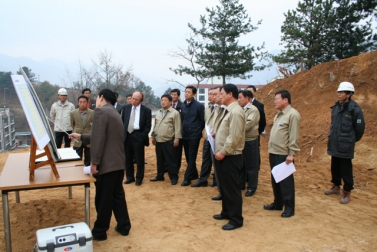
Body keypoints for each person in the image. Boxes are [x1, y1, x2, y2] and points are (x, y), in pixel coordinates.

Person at [69, 89, 131, 241]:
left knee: (103, 198)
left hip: (106, 164)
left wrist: (94, 163)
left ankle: (100, 231)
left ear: (101, 97)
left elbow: (98, 140)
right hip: (117, 162)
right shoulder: (114, 112)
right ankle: (124, 226)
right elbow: (102, 135)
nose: (95, 100)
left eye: (97, 97)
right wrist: (82, 136)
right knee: (117, 196)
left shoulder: (100, 112)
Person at [325, 82, 365, 204]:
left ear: (349, 94)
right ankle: (336, 186)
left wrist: (350, 140)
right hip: (335, 142)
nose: (339, 94)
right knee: (335, 166)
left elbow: (360, 129)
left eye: (342, 92)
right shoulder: (336, 107)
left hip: (346, 144)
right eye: (338, 92)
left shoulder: (355, 110)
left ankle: (346, 192)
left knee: (346, 169)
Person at [212, 84, 245, 231]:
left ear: (230, 94)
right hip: (223, 155)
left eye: (222, 94)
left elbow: (235, 136)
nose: (220, 96)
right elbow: (226, 131)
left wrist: (224, 151)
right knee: (224, 186)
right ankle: (226, 211)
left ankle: (236, 219)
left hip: (231, 156)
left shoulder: (236, 112)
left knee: (232, 189)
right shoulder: (228, 110)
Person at [264, 90, 301, 218]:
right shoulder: (279, 114)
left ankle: (289, 208)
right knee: (275, 179)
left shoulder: (293, 115)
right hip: (274, 152)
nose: (275, 101)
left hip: (284, 154)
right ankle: (278, 203)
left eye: (277, 99)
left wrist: (291, 154)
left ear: (286, 100)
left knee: (286, 182)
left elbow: (294, 136)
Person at [122, 91, 152, 186]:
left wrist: (142, 136)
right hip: (127, 135)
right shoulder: (126, 108)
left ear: (140, 101)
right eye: (132, 98)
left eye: (136, 99)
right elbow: (122, 122)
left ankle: (139, 178)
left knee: (139, 159)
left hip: (138, 135)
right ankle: (130, 177)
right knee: (128, 158)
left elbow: (148, 125)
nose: (133, 101)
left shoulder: (146, 110)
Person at [151, 94, 182, 185]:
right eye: (161, 100)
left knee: (171, 161)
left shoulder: (175, 113)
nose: (163, 102)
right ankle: (160, 176)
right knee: (159, 160)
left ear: (170, 102)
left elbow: (178, 127)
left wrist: (177, 139)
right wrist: (153, 137)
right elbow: (155, 126)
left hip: (169, 141)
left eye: (165, 100)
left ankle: (173, 177)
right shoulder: (159, 112)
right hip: (159, 140)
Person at [191, 87, 217, 187]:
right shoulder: (207, 108)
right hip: (208, 138)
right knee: (206, 159)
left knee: (216, 160)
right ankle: (203, 180)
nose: (210, 96)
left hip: (217, 138)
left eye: (213, 94)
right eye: (209, 94)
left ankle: (216, 179)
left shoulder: (221, 108)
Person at [180, 85, 205, 186]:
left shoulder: (199, 106)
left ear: (194, 94)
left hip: (194, 135)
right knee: (187, 156)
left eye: (189, 92)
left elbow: (202, 120)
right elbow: (182, 119)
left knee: (192, 156)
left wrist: (197, 130)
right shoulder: (183, 105)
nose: (186, 94)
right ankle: (194, 174)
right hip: (185, 134)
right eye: (185, 92)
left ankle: (187, 178)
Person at [238, 90, 260, 196]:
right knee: (241, 164)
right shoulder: (239, 109)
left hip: (250, 140)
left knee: (251, 165)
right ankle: (241, 184)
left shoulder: (253, 110)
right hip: (240, 140)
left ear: (247, 98)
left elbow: (248, 124)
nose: (239, 100)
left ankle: (251, 187)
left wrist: (235, 129)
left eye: (240, 98)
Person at [70, 95, 93, 166]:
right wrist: (76, 131)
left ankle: (87, 172)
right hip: (77, 137)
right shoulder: (73, 113)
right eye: (80, 102)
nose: (82, 104)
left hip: (88, 137)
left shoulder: (93, 113)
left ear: (87, 103)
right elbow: (72, 124)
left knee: (88, 158)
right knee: (77, 158)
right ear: (78, 103)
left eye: (84, 102)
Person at [170, 88, 183, 171]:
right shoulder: (168, 105)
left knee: (177, 152)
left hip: (179, 131)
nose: (173, 96)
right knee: (169, 151)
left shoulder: (182, 106)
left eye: (175, 95)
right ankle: (167, 167)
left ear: (178, 96)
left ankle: (176, 168)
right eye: (172, 94)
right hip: (169, 132)